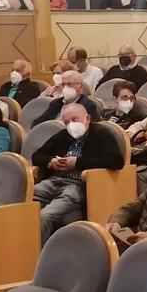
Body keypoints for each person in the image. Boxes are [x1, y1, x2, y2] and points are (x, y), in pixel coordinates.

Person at [30, 103, 124, 241]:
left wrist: (78, 163)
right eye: (66, 122)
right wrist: (51, 162)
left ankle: (37, 256)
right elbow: (37, 155)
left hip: (78, 184)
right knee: (20, 205)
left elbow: (116, 161)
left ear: (87, 119)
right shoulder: (63, 135)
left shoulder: (101, 133)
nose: (70, 125)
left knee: (44, 216)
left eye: (75, 120)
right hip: (53, 181)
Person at [31, 70, 102, 126]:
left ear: (80, 87)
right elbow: (37, 123)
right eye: (63, 84)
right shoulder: (56, 103)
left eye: (69, 84)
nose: (65, 87)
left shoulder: (88, 105)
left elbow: (93, 129)